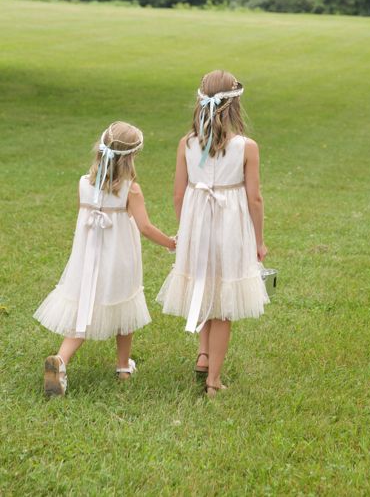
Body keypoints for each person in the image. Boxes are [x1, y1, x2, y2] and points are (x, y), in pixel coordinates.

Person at [34, 121, 176, 397]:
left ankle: (60, 360)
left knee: (84, 310)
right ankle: (123, 367)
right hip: (119, 258)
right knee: (125, 306)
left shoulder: (83, 184)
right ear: (131, 157)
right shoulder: (130, 189)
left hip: (88, 258)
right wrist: (171, 243)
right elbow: (145, 227)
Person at [157, 70, 269, 397]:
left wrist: (187, 228)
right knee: (224, 304)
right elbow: (254, 198)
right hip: (231, 228)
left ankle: (204, 355)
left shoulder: (187, 144)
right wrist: (258, 241)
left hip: (197, 226)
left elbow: (178, 194)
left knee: (206, 288)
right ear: (235, 107)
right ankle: (214, 381)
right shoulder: (247, 147)